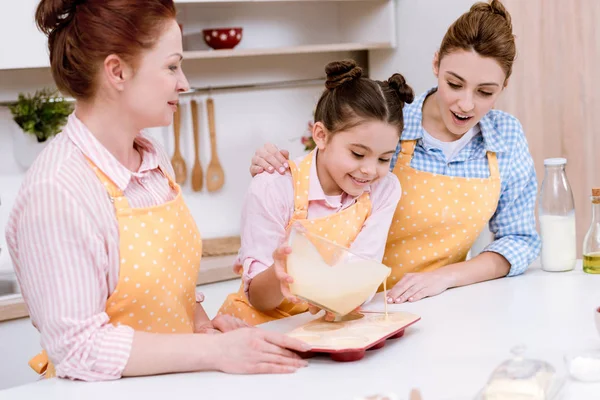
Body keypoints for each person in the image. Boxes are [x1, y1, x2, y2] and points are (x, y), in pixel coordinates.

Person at [5, 0, 309, 381]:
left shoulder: (152, 158)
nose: (183, 82)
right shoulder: (58, 191)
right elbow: (80, 351)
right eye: (171, 66)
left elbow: (170, 290)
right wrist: (214, 350)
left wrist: (203, 327)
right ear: (117, 71)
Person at [247, 0, 541, 305]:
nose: (466, 104)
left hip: (435, 305)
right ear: (436, 64)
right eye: (454, 84)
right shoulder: (391, 124)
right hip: (350, 304)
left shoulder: (506, 137)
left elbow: (518, 239)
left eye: (484, 92)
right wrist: (274, 169)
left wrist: (447, 276)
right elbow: (325, 173)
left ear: (504, 86)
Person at [218, 60, 414, 325]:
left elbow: (363, 271)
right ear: (321, 135)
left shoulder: (384, 189)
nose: (369, 170)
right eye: (357, 153)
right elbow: (259, 299)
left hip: (323, 326)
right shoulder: (274, 186)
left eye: (383, 159)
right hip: (258, 327)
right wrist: (281, 271)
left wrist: (337, 298)